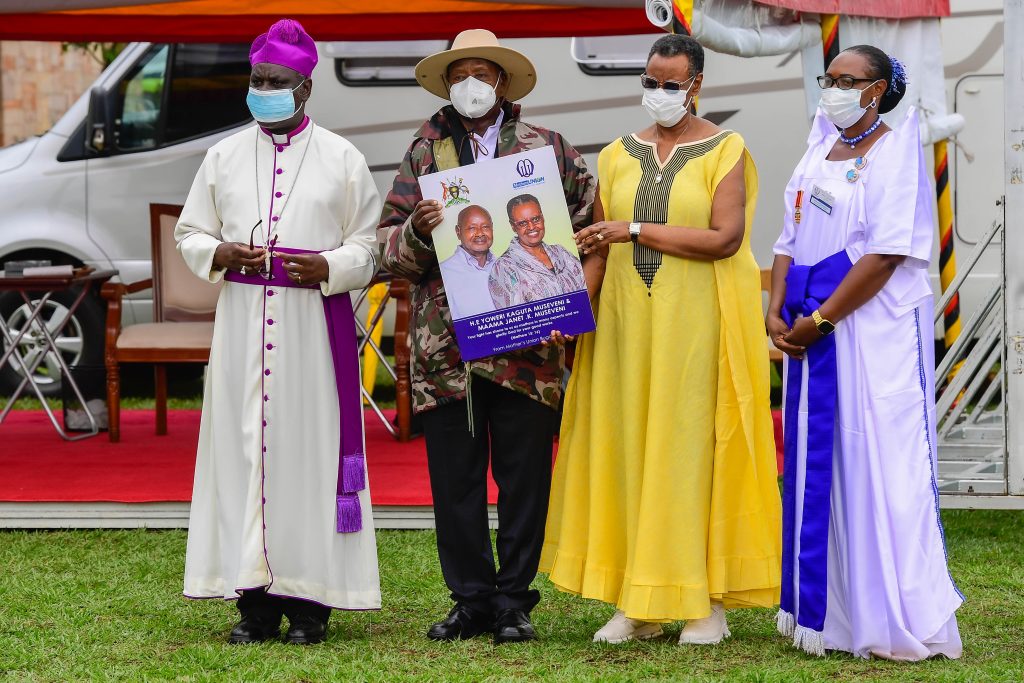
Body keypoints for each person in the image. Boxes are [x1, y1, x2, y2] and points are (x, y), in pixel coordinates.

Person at [539, 34, 781, 646]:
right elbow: (598, 243)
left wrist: (636, 228)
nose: (659, 92)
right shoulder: (617, 154)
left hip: (698, 326)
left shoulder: (727, 147)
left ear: (696, 84)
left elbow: (725, 238)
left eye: (671, 83)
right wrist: (574, 308)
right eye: (651, 80)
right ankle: (638, 601)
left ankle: (703, 604)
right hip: (625, 327)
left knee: (691, 453)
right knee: (630, 448)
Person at [378, 29, 595, 644]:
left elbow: (586, 228)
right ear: (447, 84)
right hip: (446, 350)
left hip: (529, 347)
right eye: (460, 74)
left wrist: (568, 296)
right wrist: (418, 232)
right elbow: (385, 249)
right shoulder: (424, 154)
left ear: (502, 81)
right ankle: (471, 600)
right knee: (456, 482)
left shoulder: (547, 149)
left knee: (526, 479)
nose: (471, 85)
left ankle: (513, 602)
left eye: (483, 73)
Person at [176, 19, 382, 645]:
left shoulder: (343, 157)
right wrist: (220, 254)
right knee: (243, 454)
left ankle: (309, 603)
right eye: (257, 80)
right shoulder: (223, 155)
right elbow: (190, 233)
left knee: (307, 456)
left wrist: (331, 266)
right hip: (242, 327)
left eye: (278, 82)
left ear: (305, 89)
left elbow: (369, 246)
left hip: (311, 333)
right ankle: (255, 604)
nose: (264, 89)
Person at [768, 45, 963, 660]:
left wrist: (820, 321)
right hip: (811, 324)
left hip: (868, 334)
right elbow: (787, 235)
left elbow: (884, 254)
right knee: (830, 462)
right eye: (830, 78)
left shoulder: (896, 149)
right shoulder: (818, 144)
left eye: (847, 80)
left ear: (876, 90)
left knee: (878, 458)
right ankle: (833, 615)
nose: (834, 88)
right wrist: (775, 307)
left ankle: (894, 616)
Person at [488, 194, 587, 308]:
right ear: (513, 226)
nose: (531, 227)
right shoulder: (504, 267)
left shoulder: (561, 253)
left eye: (535, 219)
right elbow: (514, 317)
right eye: (523, 223)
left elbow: (585, 289)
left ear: (542, 217)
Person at [438, 204, 497, 319]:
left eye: (485, 227)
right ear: (458, 231)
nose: (480, 233)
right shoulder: (443, 273)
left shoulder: (506, 267)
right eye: (472, 228)